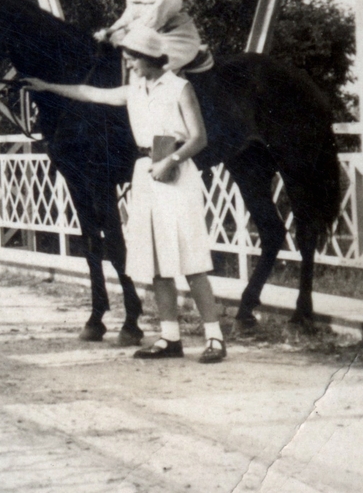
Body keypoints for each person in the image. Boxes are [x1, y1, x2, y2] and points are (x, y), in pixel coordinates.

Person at [22, 24, 227, 363]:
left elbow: (199, 138)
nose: (129, 64)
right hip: (145, 172)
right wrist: (47, 87)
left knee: (190, 260)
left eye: (132, 58)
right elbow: (90, 93)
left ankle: (215, 338)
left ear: (148, 57)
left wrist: (172, 160)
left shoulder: (180, 87)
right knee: (158, 263)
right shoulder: (135, 90)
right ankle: (170, 337)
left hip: (174, 170)